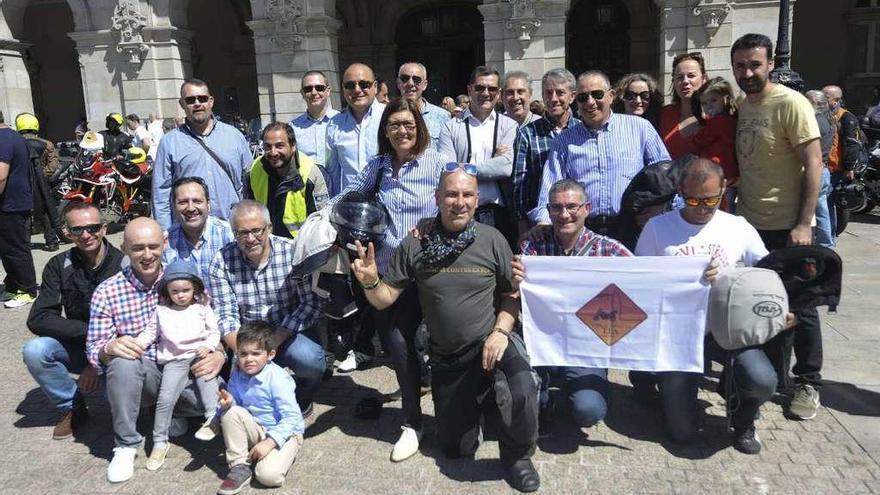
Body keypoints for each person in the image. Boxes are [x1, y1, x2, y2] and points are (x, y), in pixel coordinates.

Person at [350, 167, 540, 492]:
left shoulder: (493, 240)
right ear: (437, 198)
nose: (459, 202)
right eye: (451, 194)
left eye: (467, 195)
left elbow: (512, 295)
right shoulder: (416, 244)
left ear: (477, 200)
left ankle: (517, 455)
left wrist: (501, 331)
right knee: (455, 448)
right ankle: (480, 406)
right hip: (449, 357)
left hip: (492, 342)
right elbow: (384, 299)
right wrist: (369, 279)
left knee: (523, 386)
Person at [331, 97, 446, 460]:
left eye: (408, 124)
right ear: (386, 130)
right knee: (398, 346)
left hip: (431, 272)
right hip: (384, 274)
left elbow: (458, 205)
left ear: (420, 127)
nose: (401, 131)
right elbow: (350, 196)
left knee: (444, 345)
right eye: (394, 124)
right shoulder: (378, 166)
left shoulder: (438, 164)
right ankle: (413, 422)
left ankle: (458, 409)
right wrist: (326, 217)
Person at [634, 158, 775, 452]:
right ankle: (666, 386)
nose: (702, 207)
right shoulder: (658, 228)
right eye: (693, 199)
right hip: (679, 333)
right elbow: (641, 284)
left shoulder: (738, 227)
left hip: (730, 328)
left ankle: (743, 417)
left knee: (761, 379)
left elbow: (765, 275)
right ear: (680, 191)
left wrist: (730, 277)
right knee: (682, 434)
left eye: (711, 200)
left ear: (724, 189)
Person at [86, 217, 225, 483]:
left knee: (215, 399)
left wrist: (218, 352)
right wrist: (108, 348)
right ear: (124, 248)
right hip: (146, 375)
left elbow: (210, 324)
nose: (147, 255)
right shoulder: (108, 291)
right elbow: (94, 350)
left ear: (165, 243)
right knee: (122, 360)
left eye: (153, 246)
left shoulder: (184, 279)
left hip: (188, 367)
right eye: (138, 248)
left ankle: (178, 415)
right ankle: (126, 445)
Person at [732, 33, 824, 420]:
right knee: (765, 305)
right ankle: (773, 377)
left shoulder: (791, 103)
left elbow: (815, 163)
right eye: (741, 66)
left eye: (755, 64)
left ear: (771, 64)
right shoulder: (742, 105)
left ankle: (808, 382)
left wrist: (804, 222)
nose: (748, 72)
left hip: (790, 226)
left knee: (801, 306)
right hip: (752, 225)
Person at [513, 179, 632, 437]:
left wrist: (695, 275)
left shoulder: (609, 250)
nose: (564, 214)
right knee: (525, 405)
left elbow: (645, 283)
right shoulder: (532, 247)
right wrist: (516, 278)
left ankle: (577, 389)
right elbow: (518, 292)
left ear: (587, 208)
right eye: (556, 208)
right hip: (544, 340)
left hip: (587, 345)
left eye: (571, 206)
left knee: (588, 410)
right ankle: (544, 400)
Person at [207, 200, 325, 414]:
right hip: (247, 337)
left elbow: (310, 303)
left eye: (256, 231)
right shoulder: (221, 261)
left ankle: (302, 394)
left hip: (286, 331)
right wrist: (247, 354)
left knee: (311, 360)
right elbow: (226, 315)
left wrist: (275, 340)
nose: (250, 239)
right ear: (233, 232)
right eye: (242, 233)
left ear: (269, 228)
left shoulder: (291, 252)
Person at [23, 202, 123, 439]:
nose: (86, 234)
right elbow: (39, 317)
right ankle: (72, 407)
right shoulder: (59, 265)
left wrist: (96, 361)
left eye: (93, 227)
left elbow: (134, 324)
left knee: (117, 402)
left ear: (104, 228)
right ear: (66, 233)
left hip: (116, 349)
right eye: (78, 230)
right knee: (35, 350)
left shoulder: (123, 264)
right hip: (81, 343)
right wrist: (91, 338)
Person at [531, 70, 671, 239]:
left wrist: (658, 207)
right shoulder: (563, 141)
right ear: (576, 100)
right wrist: (544, 221)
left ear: (611, 96)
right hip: (583, 232)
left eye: (597, 95)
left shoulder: (640, 128)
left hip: (632, 227)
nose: (590, 102)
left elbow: (664, 175)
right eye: (583, 97)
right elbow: (551, 185)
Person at [136, 260, 221, 470]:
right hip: (174, 360)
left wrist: (209, 345)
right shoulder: (162, 311)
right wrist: (137, 344)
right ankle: (159, 441)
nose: (181, 295)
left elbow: (214, 331)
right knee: (165, 399)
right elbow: (149, 333)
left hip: (199, 354)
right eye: (175, 291)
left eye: (186, 290)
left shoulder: (202, 307)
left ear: (195, 289)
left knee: (207, 379)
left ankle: (213, 418)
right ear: (167, 291)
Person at [216, 321, 304, 494]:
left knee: (267, 477)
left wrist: (270, 442)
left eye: (256, 353)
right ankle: (239, 466)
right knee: (231, 412)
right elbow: (238, 411)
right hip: (256, 427)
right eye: (243, 354)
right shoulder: (237, 374)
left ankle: (280, 452)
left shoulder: (278, 379)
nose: (249, 359)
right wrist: (229, 403)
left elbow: (292, 417)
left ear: (270, 354)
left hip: (284, 432)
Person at [152, 79, 253, 231]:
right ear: (182, 104)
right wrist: (165, 234)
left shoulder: (234, 136)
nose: (197, 103)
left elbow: (250, 181)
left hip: (232, 228)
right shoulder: (169, 142)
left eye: (202, 98)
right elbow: (161, 193)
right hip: (189, 233)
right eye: (191, 100)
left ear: (211, 101)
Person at [438, 66, 519, 247]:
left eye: (491, 89)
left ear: (499, 93)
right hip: (460, 211)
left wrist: (465, 167)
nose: (486, 93)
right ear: (469, 90)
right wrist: (492, 163)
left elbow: (505, 167)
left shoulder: (509, 126)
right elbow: (448, 171)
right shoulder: (451, 127)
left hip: (497, 213)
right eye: (480, 88)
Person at [513, 68, 580, 235]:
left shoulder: (582, 130)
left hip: (577, 220)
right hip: (540, 223)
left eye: (560, 93)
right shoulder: (527, 133)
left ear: (572, 96)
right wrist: (522, 225)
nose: (553, 99)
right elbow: (520, 183)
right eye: (548, 93)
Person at [244, 122, 330, 239]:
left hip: (301, 245)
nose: (273, 152)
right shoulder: (253, 170)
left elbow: (321, 221)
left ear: (293, 146)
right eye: (268, 147)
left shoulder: (311, 173)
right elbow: (249, 212)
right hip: (266, 244)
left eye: (279, 146)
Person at [325, 63, 387, 195]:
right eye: (350, 85)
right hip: (351, 206)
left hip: (388, 204)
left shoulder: (390, 117)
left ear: (375, 87)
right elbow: (333, 174)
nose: (357, 90)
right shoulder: (334, 124)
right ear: (343, 89)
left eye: (364, 84)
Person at [163, 177, 235, 284]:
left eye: (197, 201)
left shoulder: (230, 234)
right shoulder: (165, 242)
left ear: (208, 205)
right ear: (173, 207)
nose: (191, 208)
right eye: (183, 202)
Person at [0, 110, 38, 308]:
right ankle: (14, 285)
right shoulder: (13, 137)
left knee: (15, 248)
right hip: (14, 201)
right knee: (7, 248)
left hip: (10, 203)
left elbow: (1, 175)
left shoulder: (3, 140)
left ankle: (27, 289)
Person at [691, 77, 739, 211]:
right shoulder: (732, 120)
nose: (709, 106)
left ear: (726, 98)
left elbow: (698, 141)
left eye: (714, 100)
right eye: (704, 103)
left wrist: (697, 131)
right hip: (730, 176)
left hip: (719, 173)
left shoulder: (717, 123)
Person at [15, 112, 61, 251]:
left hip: (21, 183)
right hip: (42, 184)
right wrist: (42, 175)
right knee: (45, 212)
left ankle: (25, 244)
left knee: (25, 214)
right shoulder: (47, 144)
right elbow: (53, 165)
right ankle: (52, 242)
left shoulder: (15, 143)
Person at [823, 84, 862, 242]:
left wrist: (849, 167)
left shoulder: (846, 117)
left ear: (836, 100)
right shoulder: (824, 115)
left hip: (836, 170)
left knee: (828, 207)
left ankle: (829, 240)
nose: (821, 100)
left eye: (826, 97)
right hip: (825, 169)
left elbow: (852, 144)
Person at [660, 52, 708, 159]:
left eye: (691, 76)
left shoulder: (716, 113)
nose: (685, 81)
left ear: (704, 78)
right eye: (680, 77)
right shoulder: (665, 114)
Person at [805, 90, 837, 248]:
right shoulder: (828, 119)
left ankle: (825, 244)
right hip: (823, 169)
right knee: (821, 208)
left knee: (819, 210)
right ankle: (826, 243)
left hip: (817, 170)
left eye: (807, 100)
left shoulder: (816, 121)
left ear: (817, 103)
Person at [290, 70, 339, 167]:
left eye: (319, 88)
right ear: (302, 93)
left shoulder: (342, 122)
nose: (314, 92)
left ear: (328, 91)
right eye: (308, 89)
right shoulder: (293, 128)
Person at [397, 62, 451, 148]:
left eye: (416, 79)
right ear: (398, 84)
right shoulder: (389, 115)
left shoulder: (443, 116)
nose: (410, 83)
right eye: (405, 78)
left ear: (425, 85)